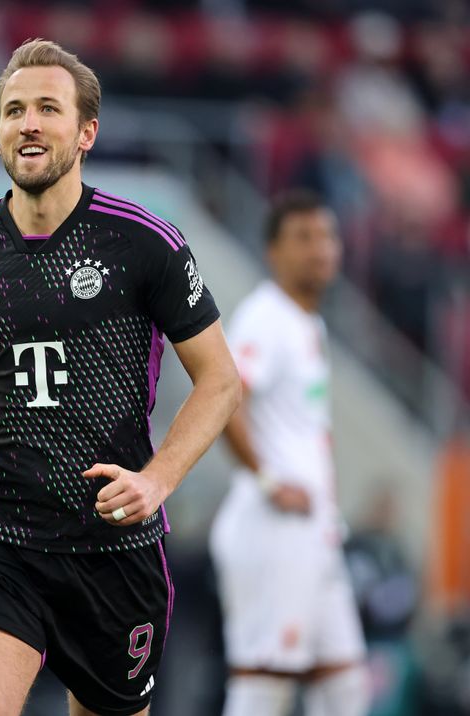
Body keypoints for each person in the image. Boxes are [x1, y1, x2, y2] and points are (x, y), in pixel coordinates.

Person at [0, 38, 241, 716]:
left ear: (86, 132)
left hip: (111, 545)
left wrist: (158, 478)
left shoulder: (145, 243)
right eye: (13, 110)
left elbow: (221, 382)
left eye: (48, 108)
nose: (28, 122)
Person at [209, 191, 369, 716]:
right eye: (303, 238)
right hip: (273, 527)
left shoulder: (309, 324)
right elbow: (227, 400)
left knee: (345, 683)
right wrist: (269, 480)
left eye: (326, 236)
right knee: (264, 681)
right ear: (273, 250)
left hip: (314, 532)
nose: (319, 249)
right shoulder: (266, 316)